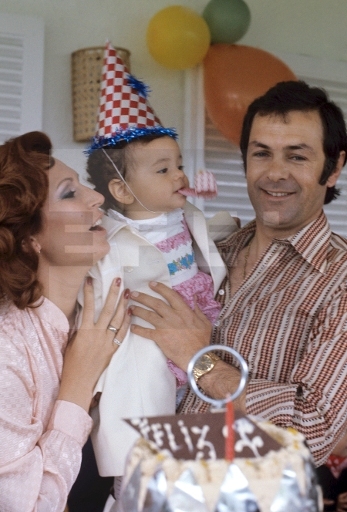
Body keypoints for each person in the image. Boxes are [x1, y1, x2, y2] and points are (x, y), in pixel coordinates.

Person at [128, 80, 347, 470]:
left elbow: (308, 433)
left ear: (334, 169)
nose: (274, 173)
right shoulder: (202, 252)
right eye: (261, 153)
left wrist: (201, 360)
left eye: (297, 157)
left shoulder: (338, 280)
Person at [81, 43, 237, 491]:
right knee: (142, 432)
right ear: (123, 190)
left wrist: (227, 220)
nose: (180, 177)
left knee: (195, 421)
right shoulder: (106, 234)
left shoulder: (185, 214)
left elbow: (212, 233)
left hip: (197, 325)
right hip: (144, 335)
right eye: (164, 170)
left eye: (180, 165)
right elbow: (89, 282)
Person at [0, 130, 130, 511]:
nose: (97, 196)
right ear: (29, 239)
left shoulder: (107, 305)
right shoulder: (8, 352)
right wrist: (77, 384)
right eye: (70, 193)